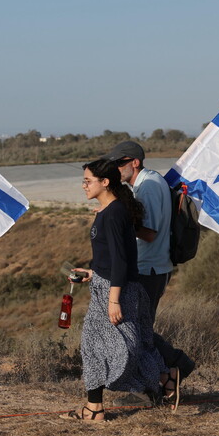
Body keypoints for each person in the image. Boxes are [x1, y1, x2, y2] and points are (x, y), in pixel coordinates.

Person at [62, 159, 176, 422]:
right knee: (124, 344)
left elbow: (122, 261)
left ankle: (95, 409)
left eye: (88, 181)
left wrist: (113, 300)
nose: (83, 186)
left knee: (98, 346)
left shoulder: (113, 213)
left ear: (105, 182)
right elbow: (112, 258)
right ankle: (164, 376)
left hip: (115, 291)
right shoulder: (109, 211)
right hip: (110, 285)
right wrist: (92, 273)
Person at [101, 141, 195, 391]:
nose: (115, 168)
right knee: (136, 329)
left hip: (149, 269)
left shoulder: (149, 186)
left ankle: (174, 366)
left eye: (119, 163)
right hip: (148, 267)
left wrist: (116, 222)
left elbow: (149, 232)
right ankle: (161, 379)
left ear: (135, 162)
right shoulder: (143, 184)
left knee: (133, 330)